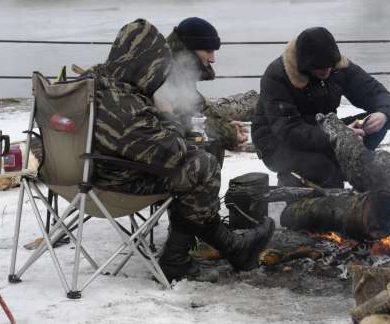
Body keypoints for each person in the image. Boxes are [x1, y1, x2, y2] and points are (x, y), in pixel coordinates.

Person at [87, 19, 274, 282]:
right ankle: (180, 260)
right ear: (146, 63)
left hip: (81, 176)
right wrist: (166, 115)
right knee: (202, 165)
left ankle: (231, 246)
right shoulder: (125, 103)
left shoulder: (95, 82)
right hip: (116, 183)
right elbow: (172, 153)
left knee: (198, 160)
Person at [251, 26, 390, 188]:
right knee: (323, 169)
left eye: (329, 66)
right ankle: (305, 180)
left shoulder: (336, 66)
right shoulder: (277, 75)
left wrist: (383, 113)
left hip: (322, 129)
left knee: (376, 124)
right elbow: (288, 131)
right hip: (276, 143)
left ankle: (347, 165)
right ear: (305, 64)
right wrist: (337, 136)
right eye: (320, 68)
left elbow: (374, 91)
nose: (326, 71)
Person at [157, 16, 249, 169]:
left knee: (211, 141)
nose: (212, 59)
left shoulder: (180, 67)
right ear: (189, 50)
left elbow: (197, 107)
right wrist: (228, 133)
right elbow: (185, 120)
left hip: (168, 143)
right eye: (208, 50)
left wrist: (226, 124)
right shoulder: (166, 73)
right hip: (160, 151)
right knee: (209, 144)